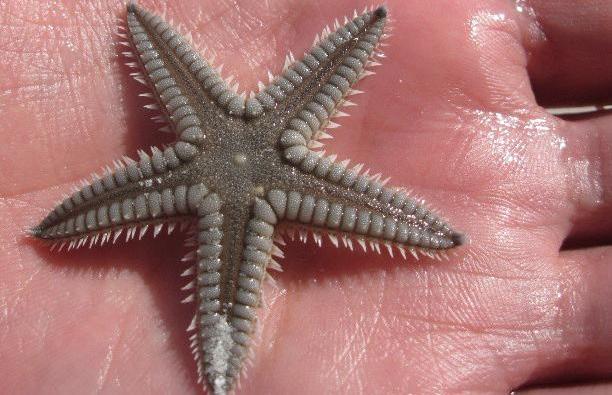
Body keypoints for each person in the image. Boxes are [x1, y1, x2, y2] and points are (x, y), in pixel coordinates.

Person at [0, 0, 610, 393]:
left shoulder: (226, 125)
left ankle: (220, 369)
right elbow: (148, 33)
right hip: (239, 172)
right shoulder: (227, 137)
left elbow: (151, 31)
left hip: (242, 167)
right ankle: (218, 370)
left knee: (395, 225)